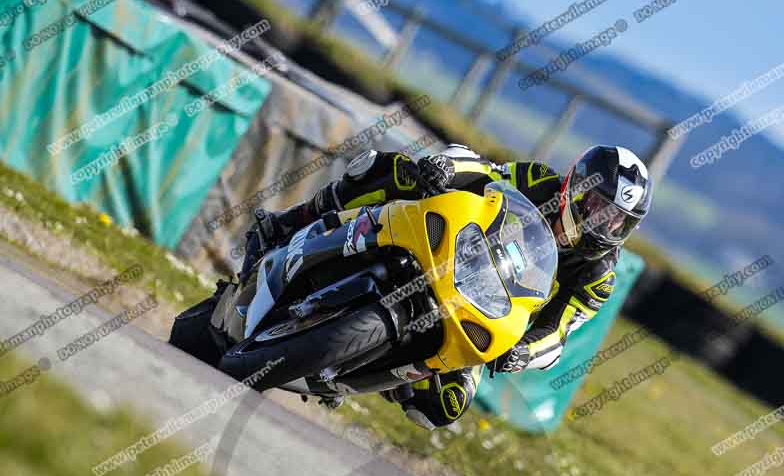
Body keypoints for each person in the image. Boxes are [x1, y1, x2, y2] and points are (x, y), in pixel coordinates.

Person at [239, 143, 653, 430]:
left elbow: (558, 333)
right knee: (390, 171)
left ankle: (362, 366)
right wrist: (447, 169)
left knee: (443, 406)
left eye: (618, 220)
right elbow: (487, 173)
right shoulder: (538, 180)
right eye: (599, 207)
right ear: (576, 187)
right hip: (452, 251)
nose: (606, 224)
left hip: (488, 309)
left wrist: (524, 352)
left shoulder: (600, 275)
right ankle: (287, 223)